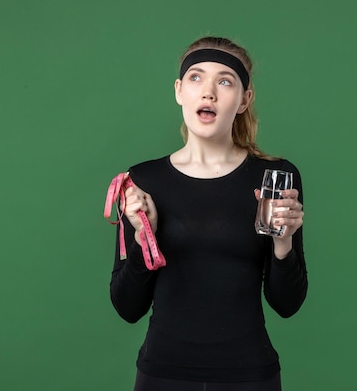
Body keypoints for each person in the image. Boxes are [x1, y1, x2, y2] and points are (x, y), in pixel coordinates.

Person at [109, 36, 308, 391]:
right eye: (196, 78)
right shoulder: (142, 181)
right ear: (179, 90)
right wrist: (142, 240)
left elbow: (287, 304)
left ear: (245, 100)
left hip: (250, 375)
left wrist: (284, 244)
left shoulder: (275, 179)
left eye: (225, 81)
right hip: (163, 374)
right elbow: (127, 307)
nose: (209, 92)